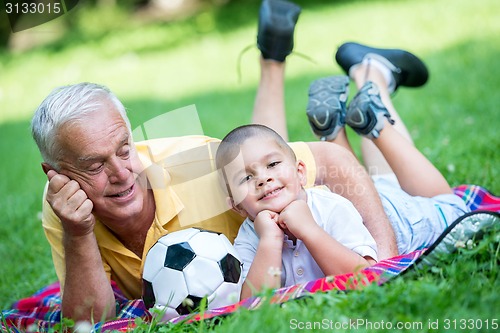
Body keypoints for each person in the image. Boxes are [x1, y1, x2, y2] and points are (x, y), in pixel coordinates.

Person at [215, 124, 378, 300]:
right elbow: (252, 306)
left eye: (273, 164)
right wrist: (270, 240)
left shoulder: (332, 208)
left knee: (385, 176)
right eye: (246, 178)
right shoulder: (247, 238)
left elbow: (366, 279)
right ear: (237, 206)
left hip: (400, 214)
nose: (263, 179)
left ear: (300, 172)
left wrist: (309, 230)